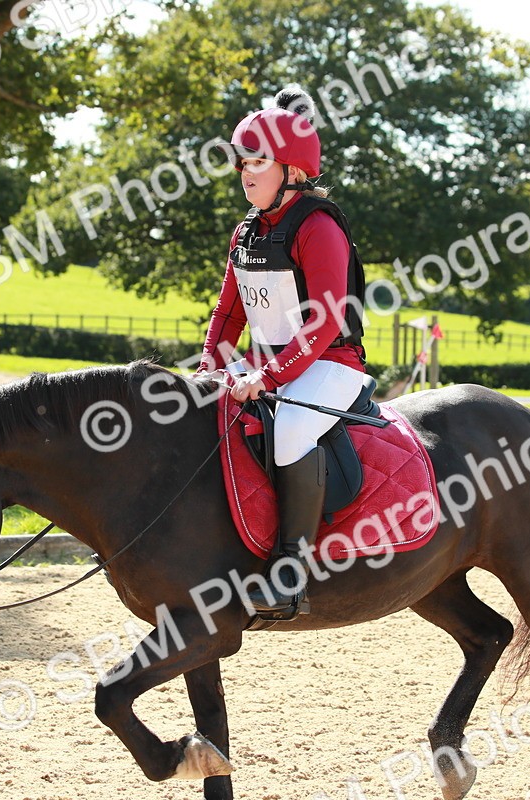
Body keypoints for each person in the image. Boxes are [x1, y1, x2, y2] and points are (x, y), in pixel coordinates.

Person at [197, 88, 368, 619]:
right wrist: (210, 365)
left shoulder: (319, 229)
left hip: (328, 367)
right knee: (195, 415)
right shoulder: (246, 231)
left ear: (291, 169)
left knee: (292, 428)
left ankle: (290, 570)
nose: (247, 174)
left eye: (259, 163)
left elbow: (323, 323)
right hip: (265, 366)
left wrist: (268, 378)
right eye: (243, 163)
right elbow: (229, 315)